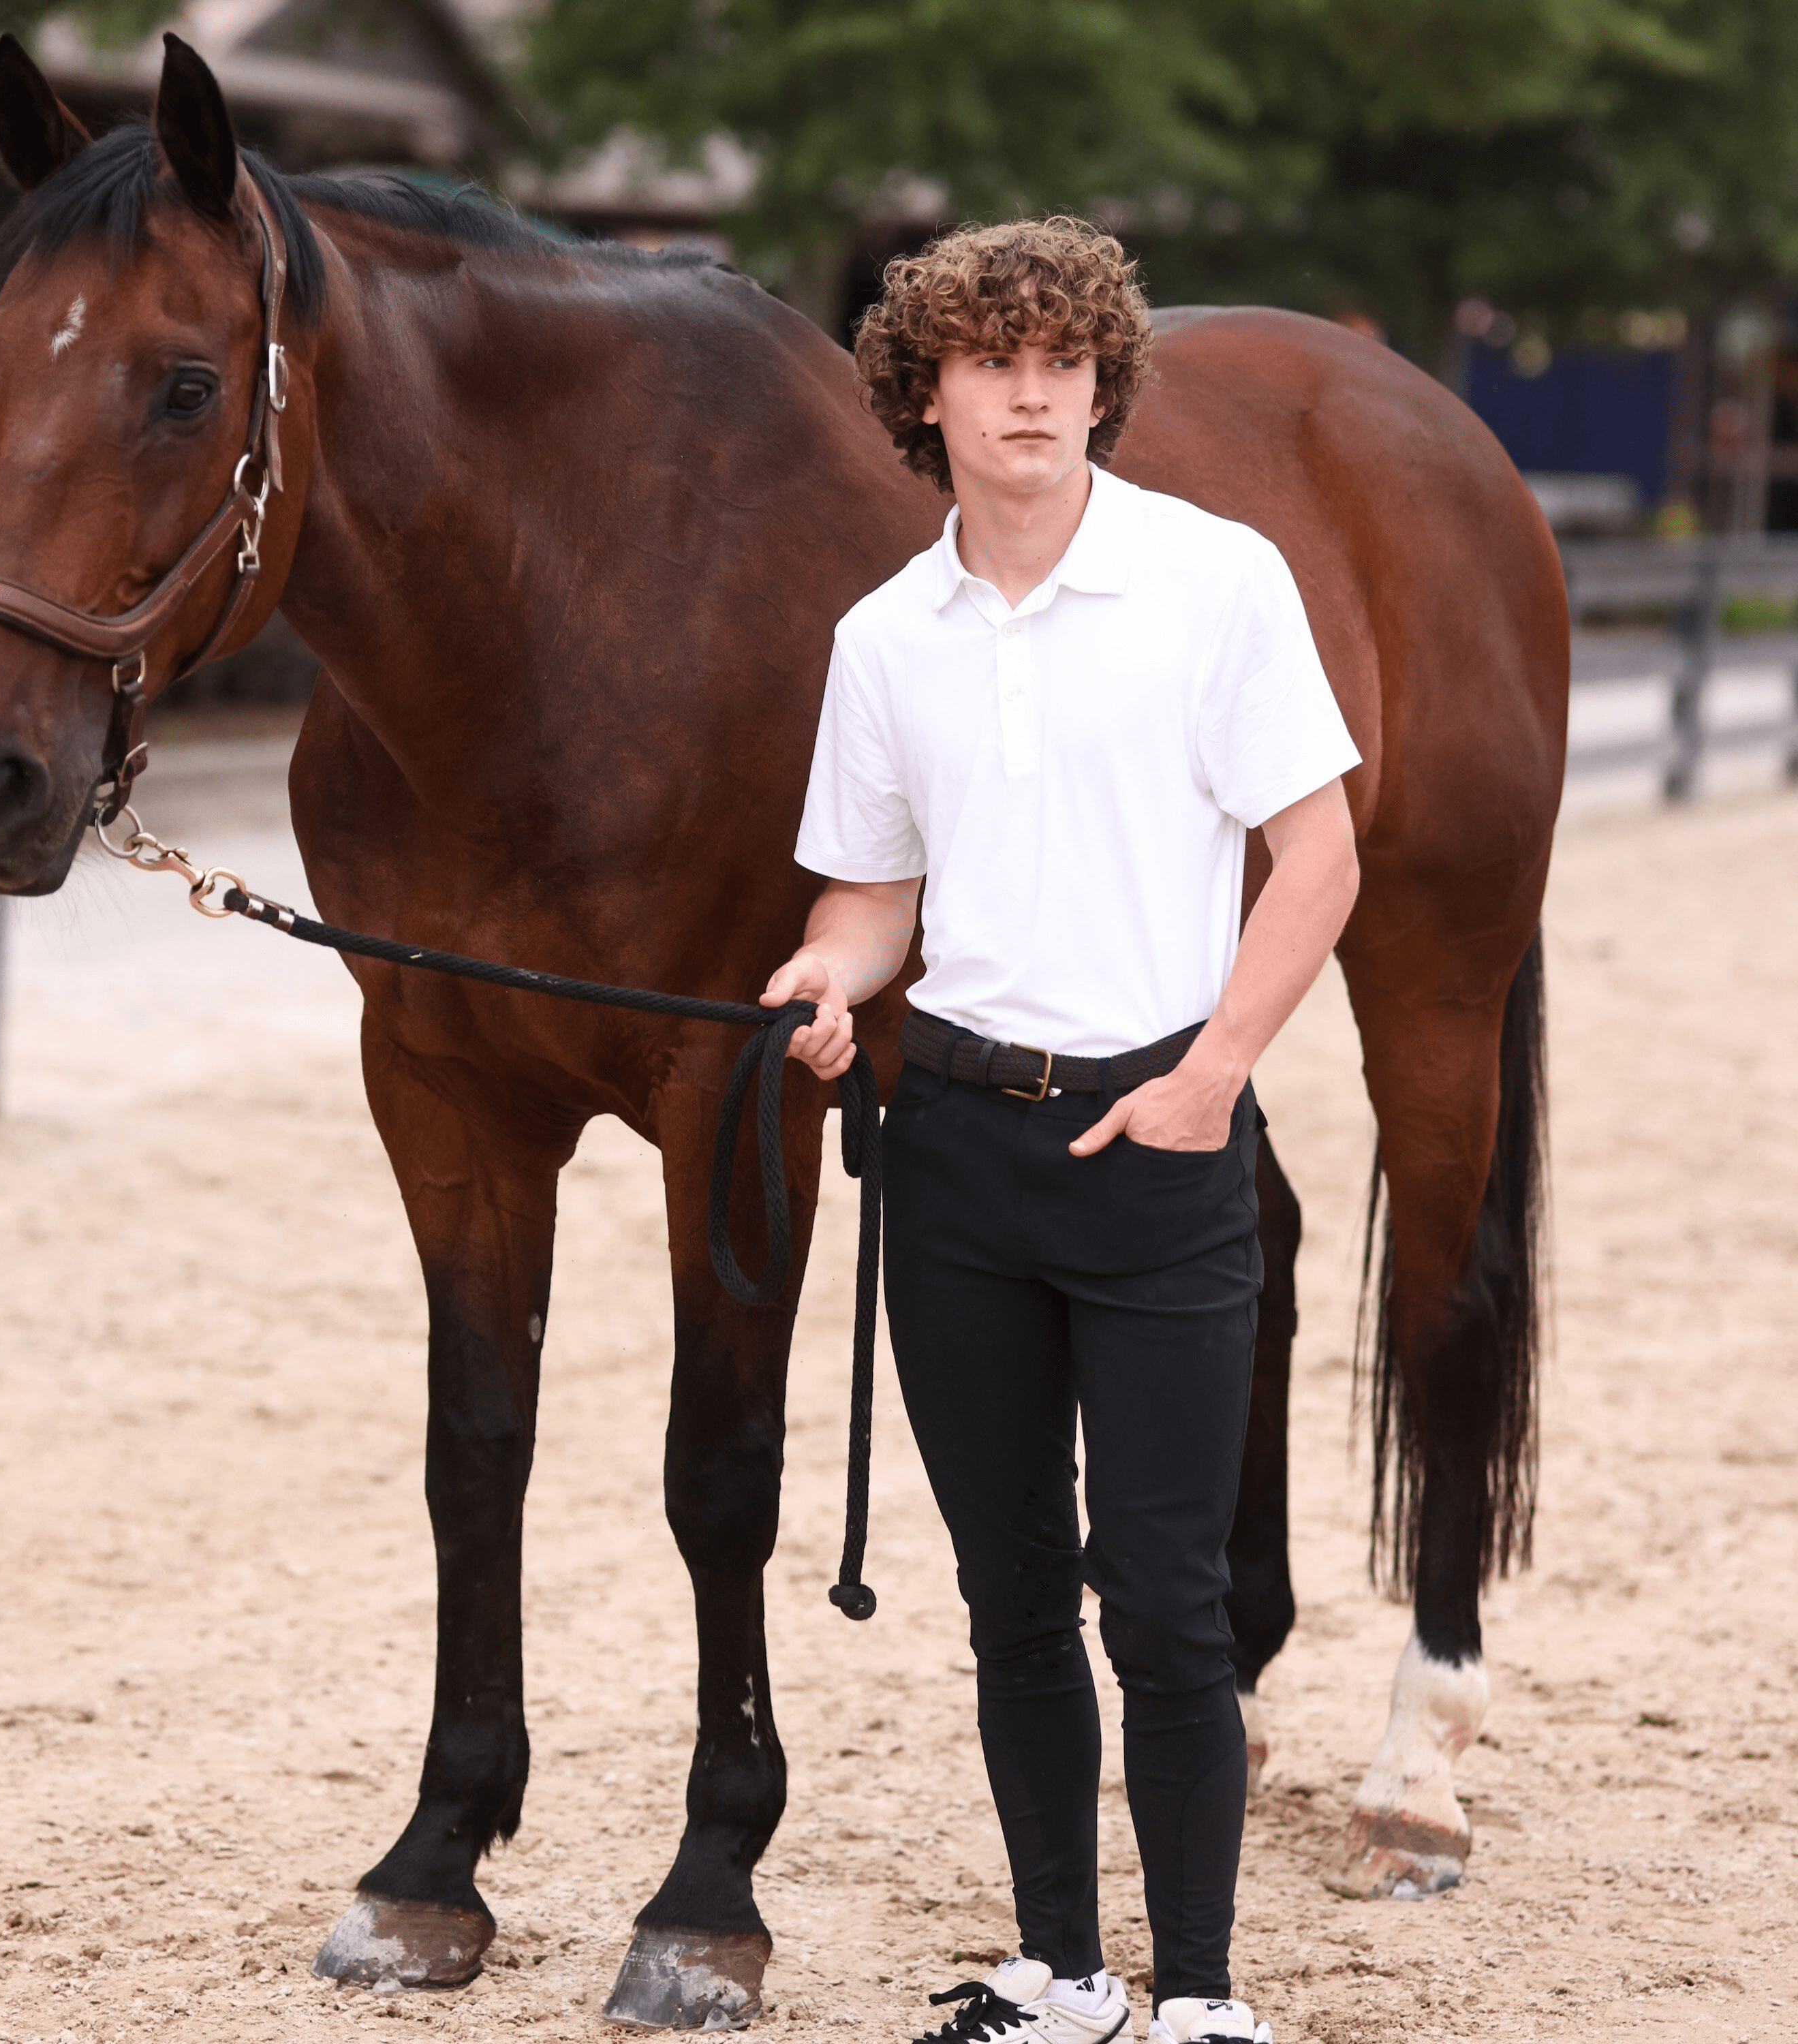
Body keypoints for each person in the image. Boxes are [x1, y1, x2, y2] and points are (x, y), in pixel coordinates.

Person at [762, 219, 1362, 2044]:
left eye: (1064, 358)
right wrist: (826, 976)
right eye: (992, 358)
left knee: (1165, 1605)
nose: (1033, 390)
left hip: (1164, 1143)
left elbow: (1318, 857)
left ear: (1103, 382)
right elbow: (872, 894)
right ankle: (1064, 1973)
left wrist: (1213, 1076)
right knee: (1011, 1591)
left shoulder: (1217, 582)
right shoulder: (885, 639)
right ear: (924, 397)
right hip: (949, 1150)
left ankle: (1198, 1999)